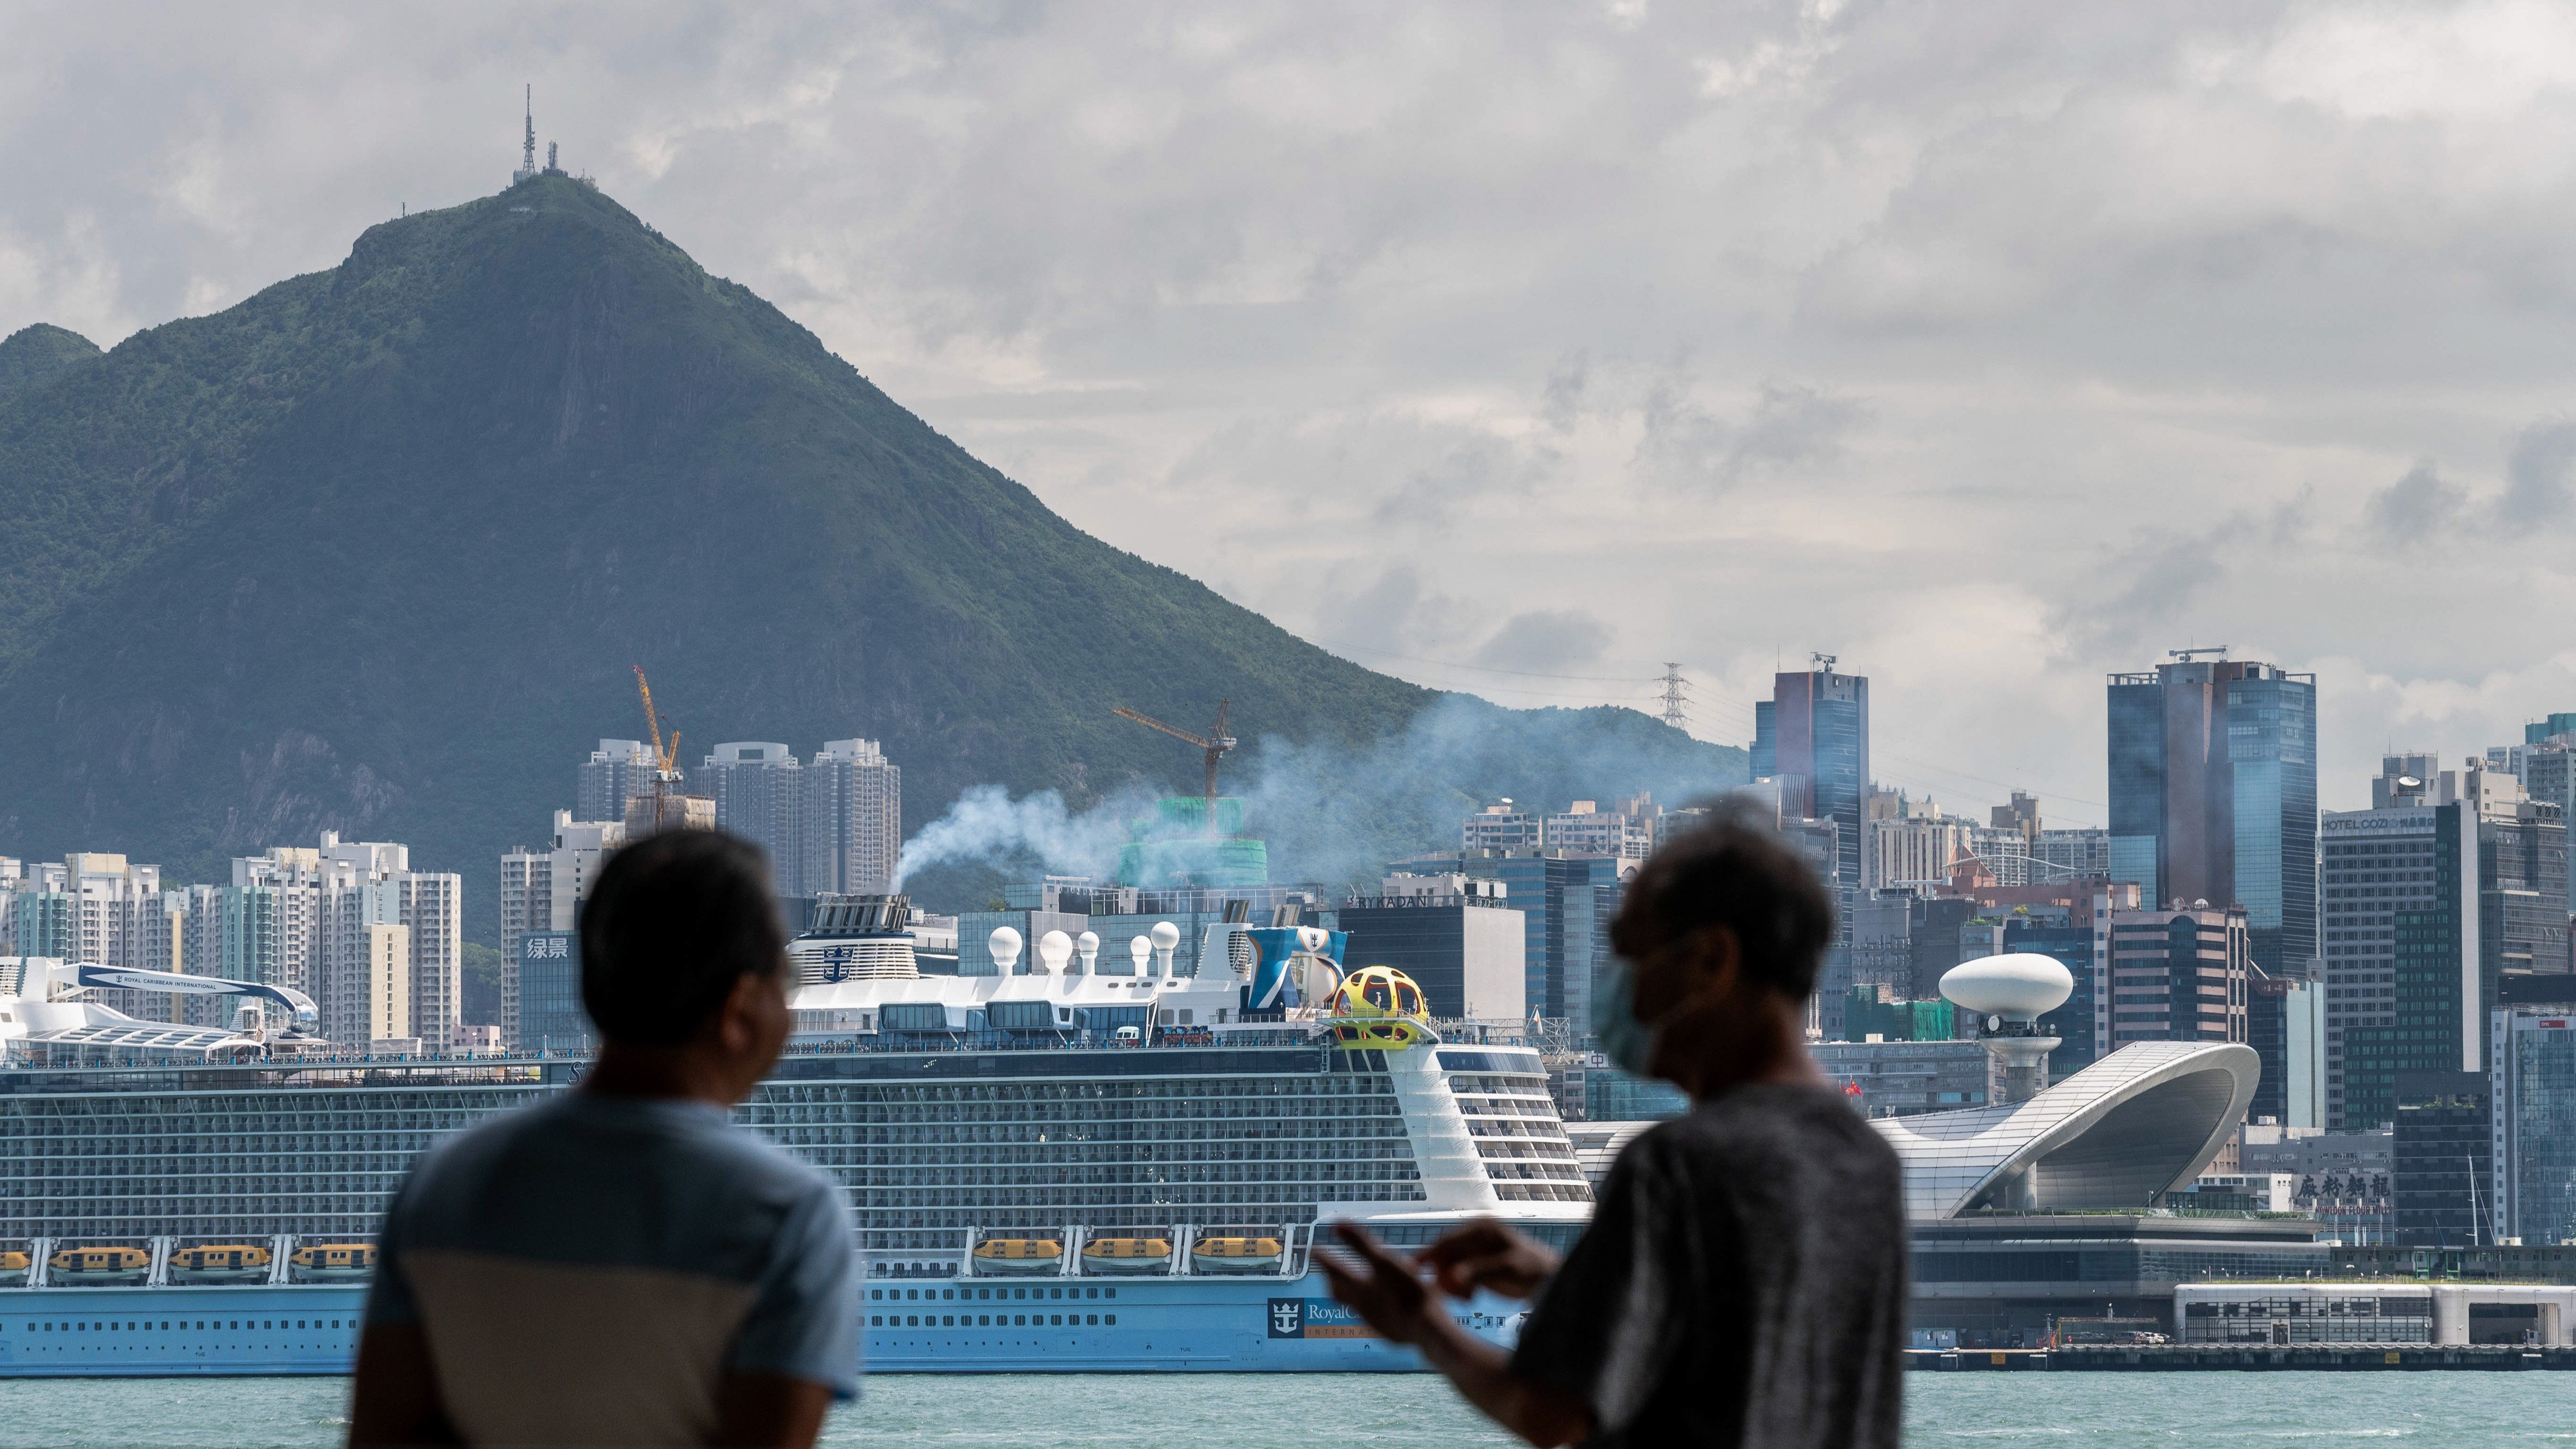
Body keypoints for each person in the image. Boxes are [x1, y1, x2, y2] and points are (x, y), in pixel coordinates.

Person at [1320, 805, 1906, 1448]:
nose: (1616, 983)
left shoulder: (1678, 1164)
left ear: (1712, 959)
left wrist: (1422, 1322)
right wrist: (1562, 1282)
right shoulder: (1868, 1164)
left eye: (1631, 949)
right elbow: (1746, 1346)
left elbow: (1551, 1411)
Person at [349, 829, 859, 1448]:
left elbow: (383, 1433)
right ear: (740, 1007)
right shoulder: (787, 1214)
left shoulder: (442, 1182)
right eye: (790, 979)